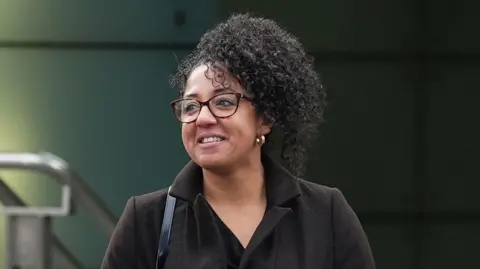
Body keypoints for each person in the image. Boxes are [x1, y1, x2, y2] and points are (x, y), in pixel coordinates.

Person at [101, 13, 375, 269]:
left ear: (265, 118)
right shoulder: (147, 221)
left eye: (223, 102)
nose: (203, 118)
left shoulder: (327, 215)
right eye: (191, 106)